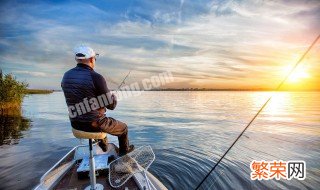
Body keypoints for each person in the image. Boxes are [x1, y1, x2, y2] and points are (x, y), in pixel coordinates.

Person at [61, 45, 134, 156]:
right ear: (91, 59)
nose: (95, 60)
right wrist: (113, 97)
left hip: (75, 124)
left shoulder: (66, 76)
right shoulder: (96, 77)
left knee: (99, 117)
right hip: (93, 125)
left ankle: (103, 146)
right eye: (95, 58)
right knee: (123, 128)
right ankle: (124, 155)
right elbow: (111, 106)